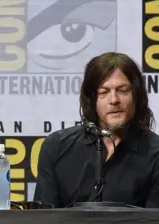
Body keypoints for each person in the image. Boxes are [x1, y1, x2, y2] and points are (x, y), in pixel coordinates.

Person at [34, 52, 159, 208]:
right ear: (92, 100)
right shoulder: (57, 146)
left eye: (122, 90)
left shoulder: (155, 153)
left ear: (136, 95)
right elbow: (43, 221)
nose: (114, 100)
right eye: (103, 92)